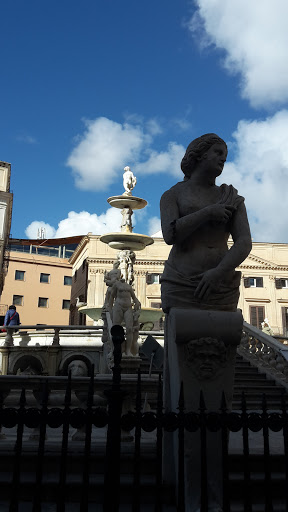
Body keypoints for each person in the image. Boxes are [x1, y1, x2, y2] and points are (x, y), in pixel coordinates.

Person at [160, 133, 252, 313]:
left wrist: (219, 272)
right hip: (180, 281)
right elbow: (170, 235)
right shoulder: (172, 195)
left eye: (224, 154)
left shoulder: (232, 197)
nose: (223, 158)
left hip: (221, 284)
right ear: (199, 155)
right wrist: (207, 213)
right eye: (217, 152)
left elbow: (244, 242)